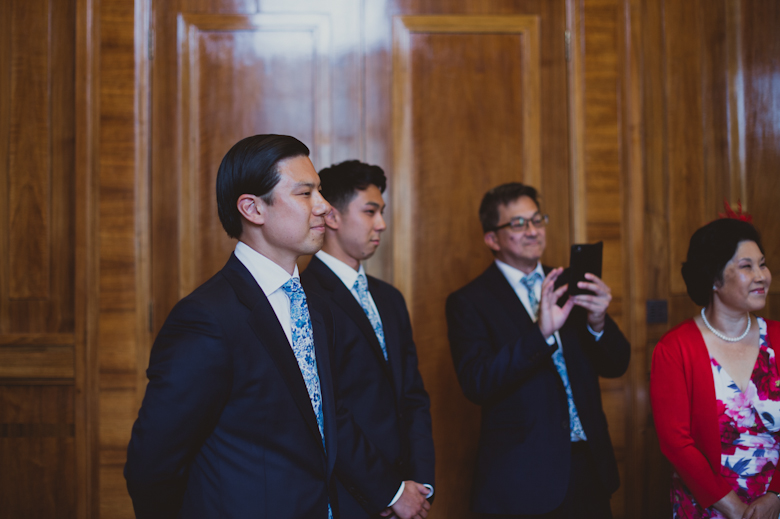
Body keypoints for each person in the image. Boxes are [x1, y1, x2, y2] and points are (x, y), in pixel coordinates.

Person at [124, 135, 429, 519]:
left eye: (319, 191)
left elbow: (327, 420)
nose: (322, 206)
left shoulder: (317, 307)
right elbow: (153, 464)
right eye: (305, 194)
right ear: (253, 208)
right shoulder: (206, 318)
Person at [446, 182, 630, 518]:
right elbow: (477, 382)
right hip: (524, 478)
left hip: (589, 467)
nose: (532, 231)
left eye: (537, 220)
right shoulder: (470, 302)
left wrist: (598, 320)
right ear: (492, 238)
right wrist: (541, 333)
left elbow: (617, 364)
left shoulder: (570, 284)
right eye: (518, 224)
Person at [301, 160, 435, 518]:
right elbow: (328, 412)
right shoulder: (305, 297)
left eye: (382, 212)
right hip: (345, 496)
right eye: (370, 211)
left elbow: (412, 395)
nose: (382, 224)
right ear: (331, 216)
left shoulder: (389, 297)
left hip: (408, 492)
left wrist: (419, 486)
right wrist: (388, 493)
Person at [651, 214, 780, 519]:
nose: (762, 275)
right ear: (714, 278)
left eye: (762, 264)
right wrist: (735, 509)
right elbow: (676, 443)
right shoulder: (674, 349)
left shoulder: (777, 337)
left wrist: (775, 496)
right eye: (747, 266)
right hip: (708, 507)